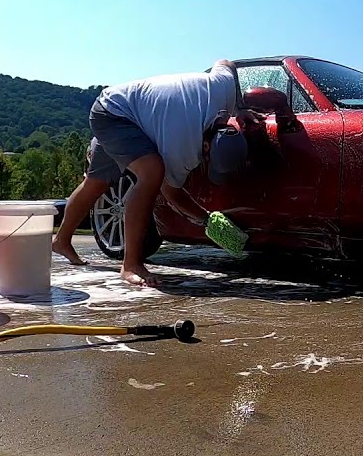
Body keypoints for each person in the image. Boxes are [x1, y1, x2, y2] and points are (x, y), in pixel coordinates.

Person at [52, 59, 261, 286]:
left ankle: (61, 241)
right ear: (205, 146)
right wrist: (207, 219)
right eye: (208, 161)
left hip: (129, 111)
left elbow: (226, 63)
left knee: (97, 183)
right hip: (114, 114)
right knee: (151, 173)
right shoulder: (182, 146)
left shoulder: (223, 90)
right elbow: (171, 193)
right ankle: (131, 264)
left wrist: (239, 108)